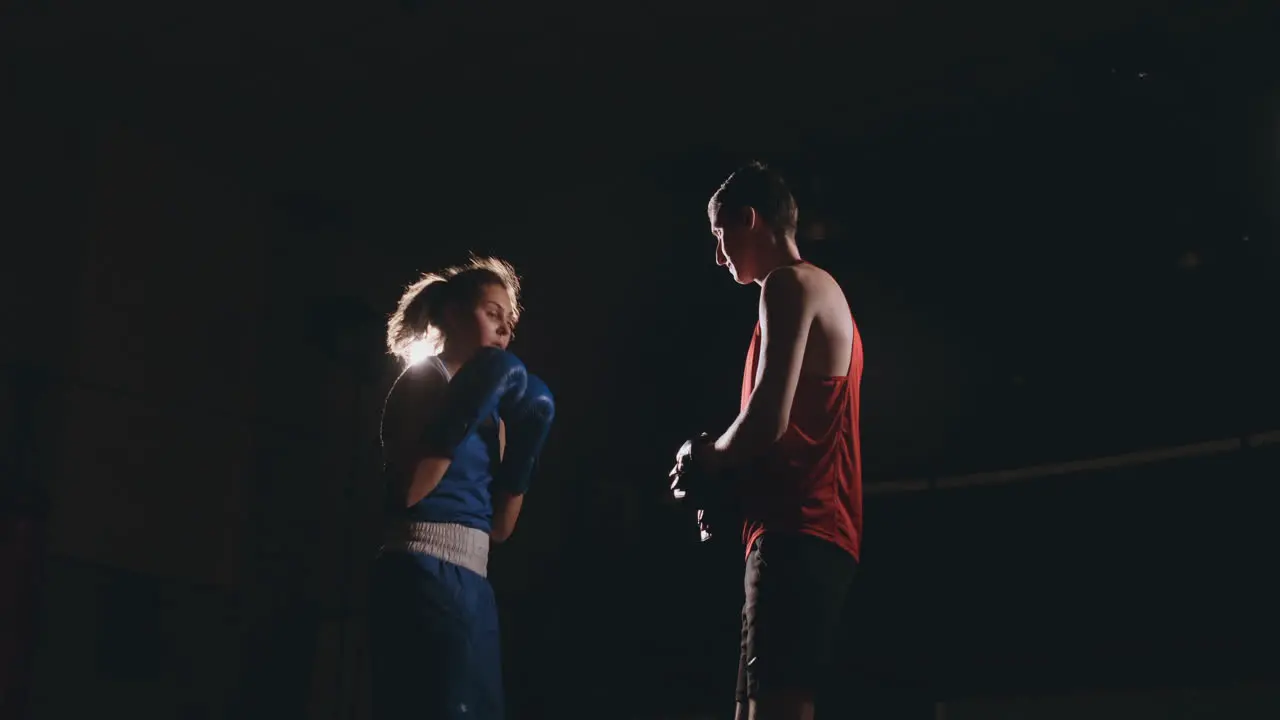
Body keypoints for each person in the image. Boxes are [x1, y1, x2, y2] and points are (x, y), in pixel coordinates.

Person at [670, 163, 864, 720]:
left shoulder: (790, 284)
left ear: (747, 220)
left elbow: (765, 423)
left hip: (799, 530)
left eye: (718, 235)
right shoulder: (811, 292)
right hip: (798, 532)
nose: (717, 255)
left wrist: (702, 458)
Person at [371, 255, 555, 720]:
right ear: (453, 314)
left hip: (474, 578)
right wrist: (464, 406)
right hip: (419, 568)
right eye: (492, 314)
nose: (503, 331)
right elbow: (407, 492)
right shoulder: (423, 380)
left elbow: (500, 528)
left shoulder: (497, 408)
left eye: (509, 322)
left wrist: (524, 453)